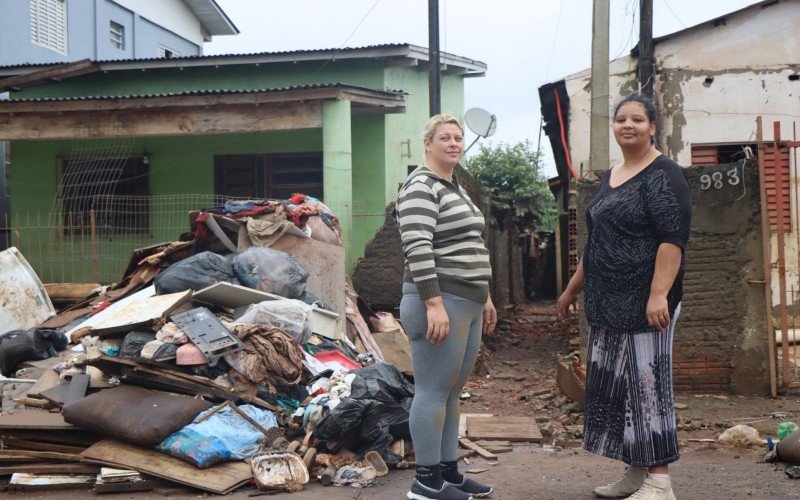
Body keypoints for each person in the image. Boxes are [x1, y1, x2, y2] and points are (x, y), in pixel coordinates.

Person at [557, 94, 691, 500]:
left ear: (653, 127)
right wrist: (569, 292)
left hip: (645, 304)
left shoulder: (665, 173)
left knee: (647, 386)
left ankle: (660, 481)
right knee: (618, 389)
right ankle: (636, 474)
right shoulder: (610, 175)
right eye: (620, 119)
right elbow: (596, 245)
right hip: (606, 303)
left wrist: (658, 295)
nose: (627, 125)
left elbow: (673, 239)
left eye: (637, 119)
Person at [396, 113, 497, 500]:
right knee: (433, 391)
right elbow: (418, 247)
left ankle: (447, 472)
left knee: (452, 393)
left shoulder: (454, 187)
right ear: (428, 143)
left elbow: (469, 245)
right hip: (441, 302)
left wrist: (484, 296)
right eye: (445, 138)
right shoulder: (421, 186)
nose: (454, 143)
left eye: (458, 137)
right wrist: (433, 303)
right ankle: (424, 482)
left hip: (467, 300)